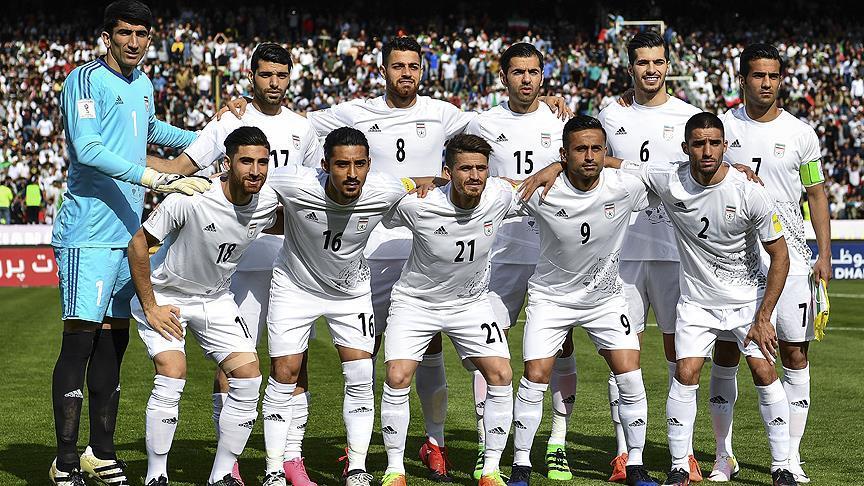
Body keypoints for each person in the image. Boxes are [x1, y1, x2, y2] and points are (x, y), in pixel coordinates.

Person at [49, 1, 207, 484]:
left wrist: (211, 136)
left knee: (113, 346)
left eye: (141, 34)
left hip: (126, 233)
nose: (133, 42)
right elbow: (88, 148)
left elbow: (151, 131)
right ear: (107, 37)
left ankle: (100, 454)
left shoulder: (142, 84)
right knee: (80, 343)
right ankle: (64, 462)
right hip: (89, 234)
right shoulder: (84, 80)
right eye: (124, 33)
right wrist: (155, 179)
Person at [616, 112, 795, 486]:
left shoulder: (749, 191)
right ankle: (680, 466)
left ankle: (782, 466)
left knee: (764, 372)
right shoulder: (670, 179)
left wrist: (764, 317)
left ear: (725, 146)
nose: (708, 150)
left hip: (747, 301)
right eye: (699, 144)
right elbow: (612, 162)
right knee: (685, 373)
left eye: (715, 143)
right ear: (686, 148)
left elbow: (780, 255)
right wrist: (555, 167)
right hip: (697, 303)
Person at [174, 41, 323, 485]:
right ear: (251, 76)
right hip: (236, 265)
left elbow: (313, 190)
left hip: (291, 262)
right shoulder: (229, 120)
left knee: (295, 361)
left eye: (281, 75)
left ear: (290, 77)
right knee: (233, 363)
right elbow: (187, 166)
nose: (274, 83)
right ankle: (230, 461)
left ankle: (291, 459)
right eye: (265, 75)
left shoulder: (304, 129)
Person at [261, 127, 438, 486]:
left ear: (370, 164)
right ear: (325, 165)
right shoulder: (294, 181)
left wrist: (429, 182)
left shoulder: (384, 187)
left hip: (351, 292)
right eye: (342, 165)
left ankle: (357, 467)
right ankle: (274, 469)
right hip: (295, 287)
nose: (352, 174)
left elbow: (426, 182)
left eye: (360, 164)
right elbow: (243, 180)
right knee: (285, 373)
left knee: (360, 374)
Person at [508, 116, 657, 486]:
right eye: (580, 149)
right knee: (535, 375)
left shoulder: (625, 186)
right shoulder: (543, 190)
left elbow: (671, 176)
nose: (589, 156)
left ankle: (635, 465)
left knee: (630, 374)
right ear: (564, 153)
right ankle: (521, 465)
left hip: (605, 300)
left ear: (605, 151)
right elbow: (489, 190)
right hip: (551, 299)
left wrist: (732, 171)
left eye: (596, 149)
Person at [128, 127, 279, 486]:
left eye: (262, 162)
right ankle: (156, 475)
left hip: (216, 299)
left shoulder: (268, 202)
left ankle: (222, 474)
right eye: (246, 161)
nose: (255, 171)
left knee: (248, 378)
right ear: (227, 163)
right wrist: (150, 306)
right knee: (172, 373)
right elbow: (138, 244)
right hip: (168, 298)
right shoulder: (192, 196)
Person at [718, 43, 832, 483]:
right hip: (736, 260)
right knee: (727, 351)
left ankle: (790, 456)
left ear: (780, 79)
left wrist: (824, 253)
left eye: (773, 75)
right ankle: (723, 456)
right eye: (758, 75)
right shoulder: (723, 127)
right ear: (742, 79)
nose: (766, 83)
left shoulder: (802, 133)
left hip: (793, 259)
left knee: (795, 353)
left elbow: (816, 194)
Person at [597, 31, 704, 483]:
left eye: (658, 62)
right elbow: (592, 161)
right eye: (643, 62)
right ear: (630, 67)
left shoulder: (688, 115)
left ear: (668, 66)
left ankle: (684, 453)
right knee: (624, 352)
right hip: (622, 254)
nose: (651, 70)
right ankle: (624, 453)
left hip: (676, 252)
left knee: (681, 352)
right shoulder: (610, 114)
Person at [465, 42, 575, 481]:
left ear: (543, 76)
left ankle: (558, 443)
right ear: (503, 76)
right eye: (517, 72)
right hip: (500, 253)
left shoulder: (561, 121)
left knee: (562, 347)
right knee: (489, 348)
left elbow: (585, 164)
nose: (526, 79)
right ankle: (485, 443)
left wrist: (553, 169)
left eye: (533, 72)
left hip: (555, 251)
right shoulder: (483, 123)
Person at [379, 134, 515, 486]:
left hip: (470, 303)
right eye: (465, 168)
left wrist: (555, 166)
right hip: (416, 303)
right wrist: (415, 182)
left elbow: (535, 185)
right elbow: (379, 198)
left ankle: (491, 471)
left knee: (501, 374)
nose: (475, 176)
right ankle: (395, 469)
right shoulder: (419, 205)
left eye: (481, 168)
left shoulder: (500, 195)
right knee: (397, 376)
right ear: (447, 172)